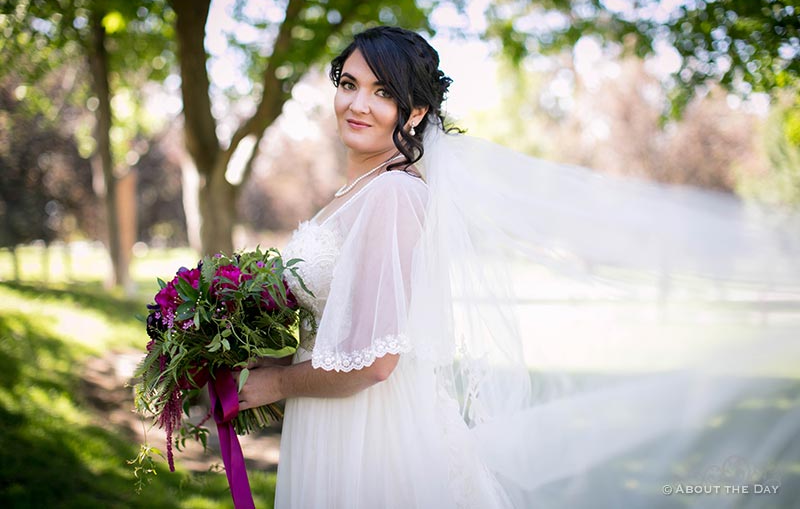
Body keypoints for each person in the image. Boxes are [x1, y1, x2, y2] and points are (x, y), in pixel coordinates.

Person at [239, 26, 800, 508]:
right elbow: (342, 331)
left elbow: (376, 362)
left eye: (382, 92)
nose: (358, 104)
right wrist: (260, 353)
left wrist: (277, 384)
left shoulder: (392, 196)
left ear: (414, 112)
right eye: (348, 85)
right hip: (333, 419)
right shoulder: (353, 192)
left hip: (371, 433)